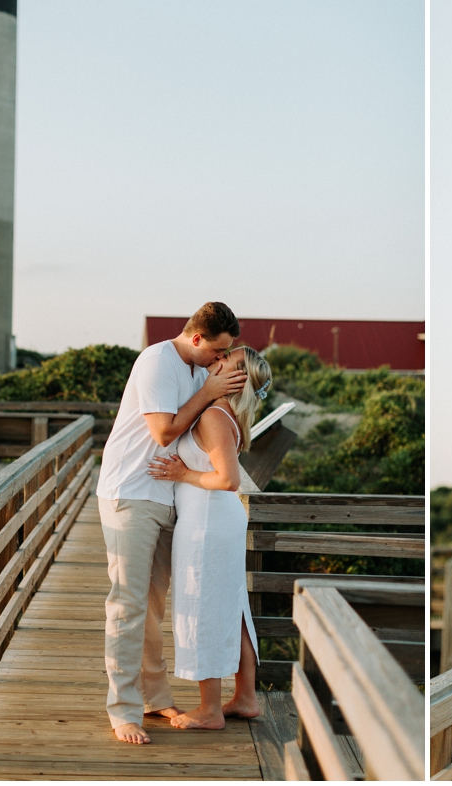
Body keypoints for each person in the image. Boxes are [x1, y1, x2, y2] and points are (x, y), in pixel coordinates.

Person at [97, 302, 246, 745]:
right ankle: (123, 710)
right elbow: (163, 432)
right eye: (217, 351)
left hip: (167, 496)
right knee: (127, 603)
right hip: (132, 492)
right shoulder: (158, 361)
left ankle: (153, 696)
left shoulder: (201, 372)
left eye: (227, 354)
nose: (221, 361)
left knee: (152, 606)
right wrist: (208, 391)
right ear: (196, 338)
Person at [146, 345, 271, 729]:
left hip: (208, 522)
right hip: (217, 518)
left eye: (226, 363)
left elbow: (228, 480)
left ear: (238, 379)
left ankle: (209, 709)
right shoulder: (225, 413)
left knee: (202, 606)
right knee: (232, 607)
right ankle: (245, 698)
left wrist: (183, 475)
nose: (216, 365)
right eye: (219, 359)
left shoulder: (215, 415)